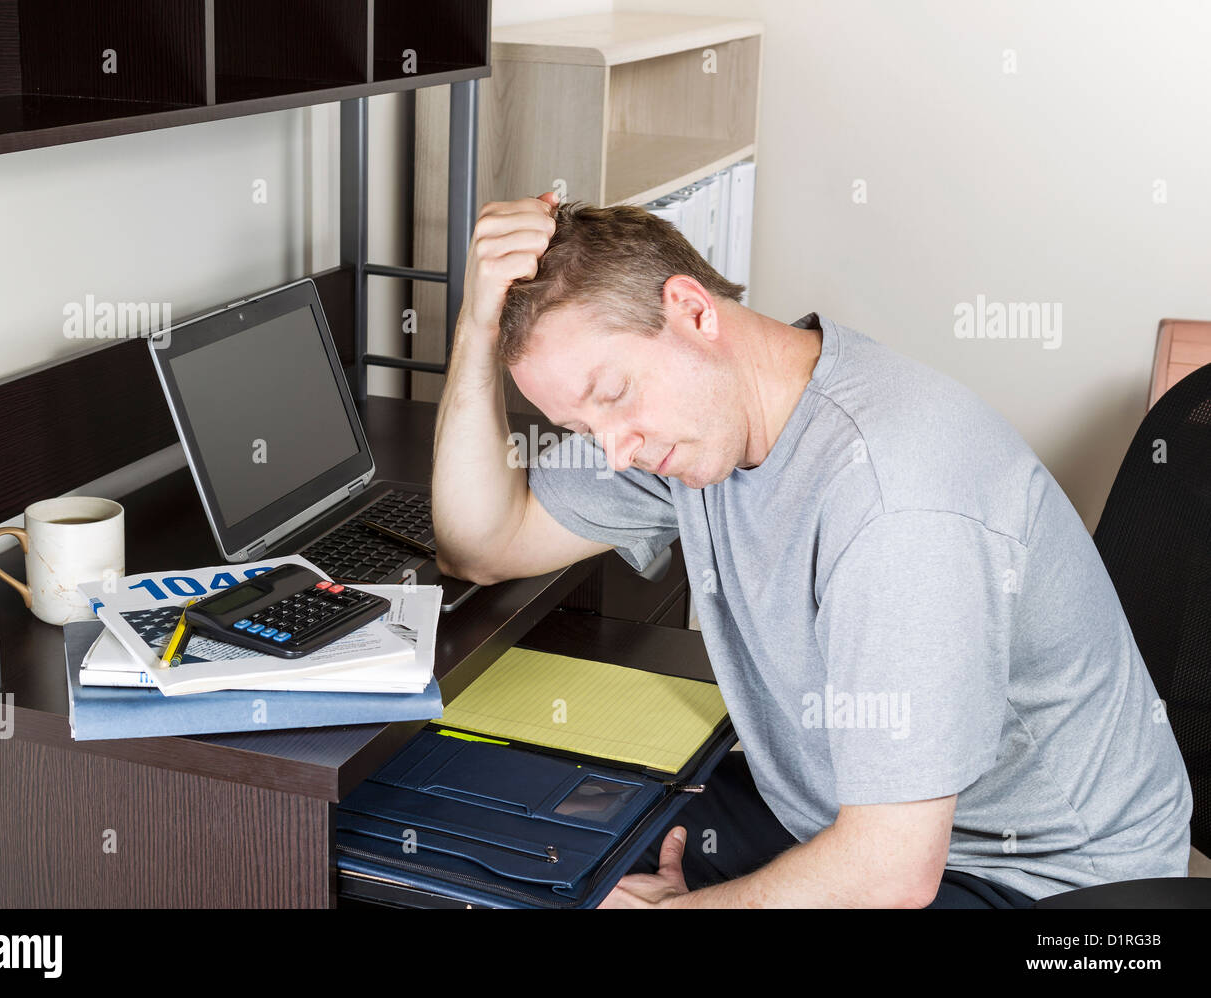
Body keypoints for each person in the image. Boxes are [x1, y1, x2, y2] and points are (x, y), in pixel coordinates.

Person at [429, 190, 1193, 908]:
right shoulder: (706, 423)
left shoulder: (898, 505)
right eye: (584, 427)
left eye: (612, 395)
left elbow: (892, 872)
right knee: (556, 857)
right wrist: (475, 328)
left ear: (692, 312)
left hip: (1039, 881)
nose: (615, 452)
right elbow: (482, 545)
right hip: (836, 813)